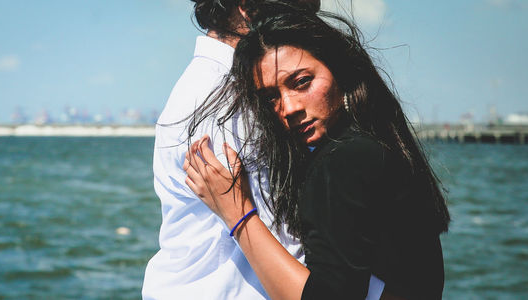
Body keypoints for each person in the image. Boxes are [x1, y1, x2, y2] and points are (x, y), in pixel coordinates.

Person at [184, 8, 450, 300]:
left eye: (301, 82)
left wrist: (238, 214)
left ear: (338, 68)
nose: (289, 108)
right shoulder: (375, 143)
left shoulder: (346, 159)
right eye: (271, 97)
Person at [142, 1, 333, 299]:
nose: (308, 27)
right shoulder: (229, 100)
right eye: (299, 10)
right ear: (249, 6)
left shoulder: (205, 87)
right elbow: (285, 251)